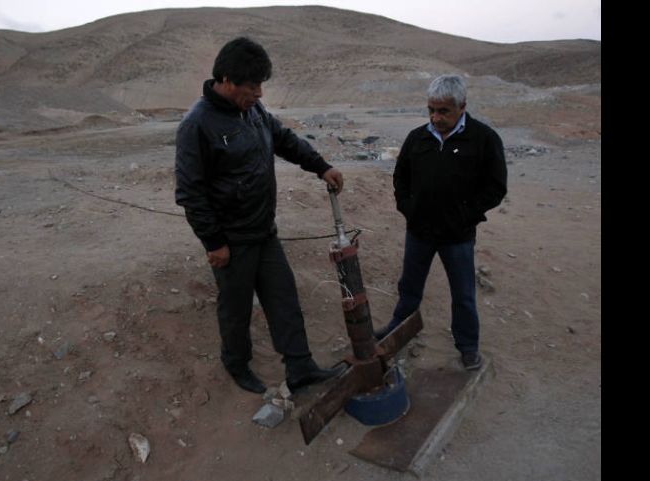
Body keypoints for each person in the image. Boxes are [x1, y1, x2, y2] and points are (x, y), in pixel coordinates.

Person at [174, 37, 345, 394]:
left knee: (284, 297)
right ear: (227, 80)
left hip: (264, 231)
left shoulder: (254, 112)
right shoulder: (197, 124)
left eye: (261, 85)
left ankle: (300, 367)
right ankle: (236, 365)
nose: (260, 94)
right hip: (231, 240)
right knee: (235, 309)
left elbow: (284, 140)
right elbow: (190, 192)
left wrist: (320, 166)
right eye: (253, 87)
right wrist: (214, 242)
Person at [374, 74, 507, 371]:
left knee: (463, 294)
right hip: (419, 232)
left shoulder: (483, 139)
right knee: (409, 287)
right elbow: (401, 177)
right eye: (431, 110)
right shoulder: (417, 138)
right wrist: (408, 208)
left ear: (462, 106)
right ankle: (399, 329)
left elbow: (496, 187)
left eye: (444, 111)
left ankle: (468, 346)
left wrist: (467, 214)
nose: (436, 117)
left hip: (458, 236)